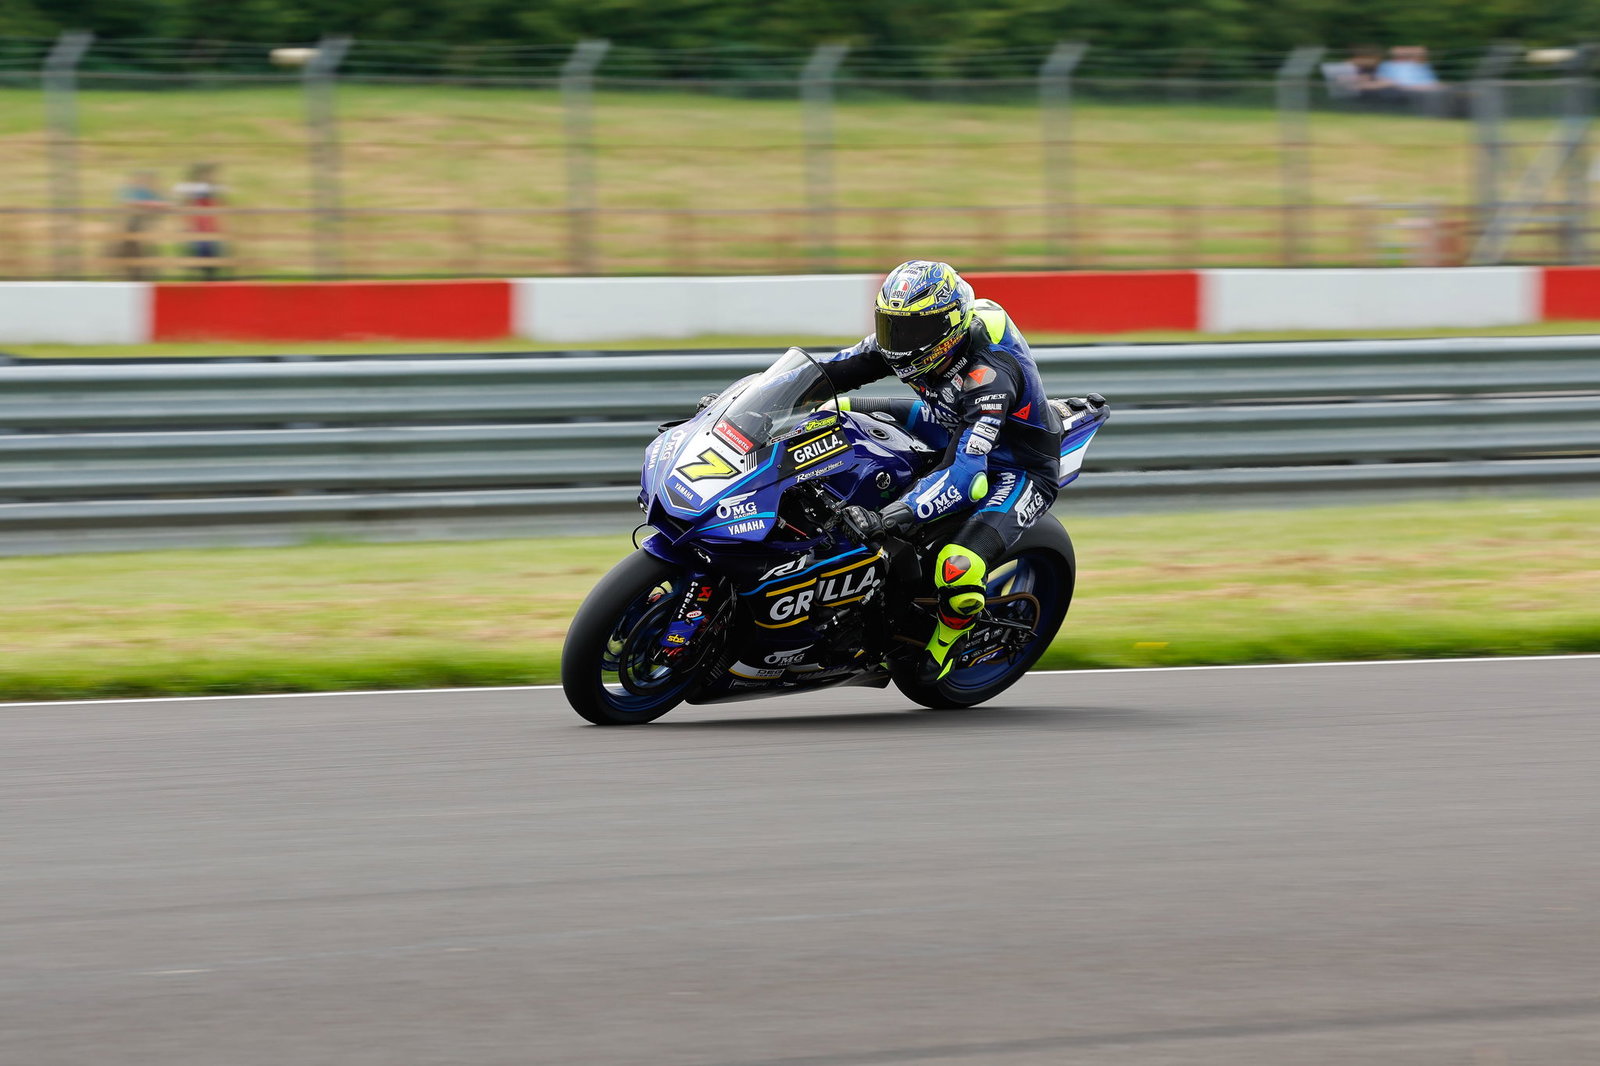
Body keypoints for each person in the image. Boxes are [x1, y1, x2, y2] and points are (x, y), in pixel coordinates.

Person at [823, 260, 1068, 684]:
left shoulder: (989, 375)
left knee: (959, 565)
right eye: (890, 326)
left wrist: (888, 517)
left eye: (910, 330)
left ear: (948, 327)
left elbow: (966, 476)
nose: (897, 342)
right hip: (950, 420)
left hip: (1015, 463)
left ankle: (948, 640)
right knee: (832, 411)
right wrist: (750, 405)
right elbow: (827, 372)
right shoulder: (914, 344)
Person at [172, 163, 226, 280]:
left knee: (210, 255)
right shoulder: (192, 190)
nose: (208, 177)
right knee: (200, 253)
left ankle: (209, 277)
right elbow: (182, 199)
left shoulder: (212, 190)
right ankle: (202, 277)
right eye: (205, 174)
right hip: (198, 226)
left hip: (209, 226)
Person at [112, 171, 165, 279]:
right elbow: (126, 202)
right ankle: (132, 273)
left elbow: (161, 204)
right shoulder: (130, 191)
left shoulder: (150, 192)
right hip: (131, 226)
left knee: (142, 249)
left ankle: (142, 273)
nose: (142, 182)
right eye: (140, 179)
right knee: (129, 247)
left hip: (142, 227)